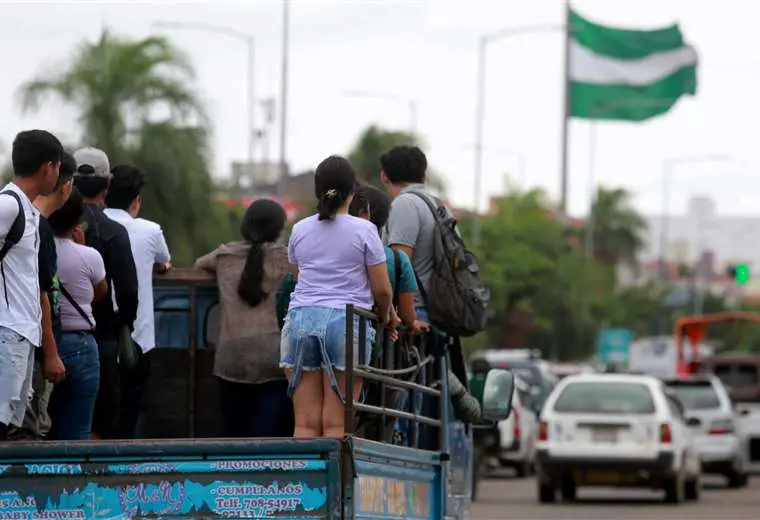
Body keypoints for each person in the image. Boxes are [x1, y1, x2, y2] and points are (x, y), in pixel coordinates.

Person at [280, 156, 397, 438]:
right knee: (336, 424)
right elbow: (382, 290)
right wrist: (385, 317)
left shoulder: (299, 229)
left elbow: (298, 275)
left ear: (318, 192)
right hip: (344, 325)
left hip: (300, 320)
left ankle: (306, 482)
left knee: (304, 423)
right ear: (352, 193)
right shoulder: (365, 230)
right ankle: (335, 483)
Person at [380, 145, 469, 447]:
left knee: (404, 401)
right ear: (424, 174)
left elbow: (399, 262)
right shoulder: (440, 205)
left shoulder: (405, 204)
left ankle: (402, 453)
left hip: (412, 316)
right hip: (436, 313)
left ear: (383, 176)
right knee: (422, 400)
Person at [195, 199, 294, 438]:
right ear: (279, 230)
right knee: (269, 439)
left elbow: (199, 263)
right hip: (274, 362)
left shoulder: (224, 256)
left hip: (231, 361)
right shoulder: (288, 260)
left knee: (235, 438)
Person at [8, 151, 75, 441]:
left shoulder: (29, 218)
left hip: (22, 340)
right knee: (25, 432)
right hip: (23, 343)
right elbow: (41, 292)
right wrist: (50, 352)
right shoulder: (30, 221)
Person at [0, 130, 62, 440]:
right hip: (7, 332)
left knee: (11, 426)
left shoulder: (28, 211)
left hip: (22, 334)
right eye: (59, 167)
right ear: (47, 167)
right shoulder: (8, 205)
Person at [73, 147, 139, 439]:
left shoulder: (48, 226)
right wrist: (125, 322)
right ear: (107, 183)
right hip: (101, 337)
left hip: (49, 339)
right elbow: (128, 291)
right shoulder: (113, 231)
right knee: (100, 423)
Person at [104, 164, 171, 438]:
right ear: (136, 201)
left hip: (98, 335)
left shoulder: (86, 224)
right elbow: (164, 261)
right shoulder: (150, 230)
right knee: (131, 409)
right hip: (138, 337)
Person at [47, 189, 107, 439]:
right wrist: (81, 246)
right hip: (82, 345)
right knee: (78, 429)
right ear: (76, 222)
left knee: (38, 426)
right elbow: (100, 293)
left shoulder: (36, 252)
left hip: (46, 345)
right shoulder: (90, 256)